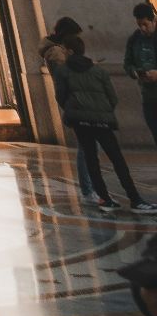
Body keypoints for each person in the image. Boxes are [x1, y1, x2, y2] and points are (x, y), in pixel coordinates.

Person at [58, 45, 156, 212]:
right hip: (102, 120)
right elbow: (112, 97)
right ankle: (135, 199)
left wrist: (74, 111)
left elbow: (60, 96)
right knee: (117, 158)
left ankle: (104, 198)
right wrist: (104, 111)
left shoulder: (63, 71)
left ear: (69, 51)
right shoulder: (98, 71)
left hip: (80, 121)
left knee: (91, 159)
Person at [42, 17, 93, 200]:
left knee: (86, 145)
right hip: (75, 100)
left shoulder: (55, 52)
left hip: (74, 100)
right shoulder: (57, 54)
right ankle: (88, 188)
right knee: (86, 145)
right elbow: (66, 79)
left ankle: (89, 186)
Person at [124, 3, 157, 145]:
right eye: (139, 25)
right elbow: (127, 63)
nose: (142, 28)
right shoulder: (134, 39)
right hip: (149, 96)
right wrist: (134, 72)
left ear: (153, 20)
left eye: (145, 24)